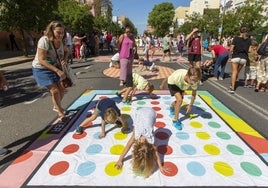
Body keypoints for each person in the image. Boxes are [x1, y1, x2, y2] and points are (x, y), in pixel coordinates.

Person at [115, 107, 168, 178]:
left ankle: (149, 126)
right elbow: (127, 146)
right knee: (140, 126)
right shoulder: (136, 134)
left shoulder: (151, 139)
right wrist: (120, 160)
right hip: (140, 113)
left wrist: (160, 166)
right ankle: (148, 126)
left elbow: (156, 152)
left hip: (150, 113)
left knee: (150, 127)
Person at [32, 21, 69, 121]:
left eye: (62, 32)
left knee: (62, 89)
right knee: (55, 90)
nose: (61, 35)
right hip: (41, 68)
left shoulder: (61, 42)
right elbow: (41, 60)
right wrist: (57, 70)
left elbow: (66, 51)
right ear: (51, 31)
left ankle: (56, 106)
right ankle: (60, 113)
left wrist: (65, 60)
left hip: (54, 67)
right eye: (58, 32)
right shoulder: (44, 40)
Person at [228, 26, 251, 94]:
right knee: (237, 71)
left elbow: (231, 49)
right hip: (244, 58)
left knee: (234, 72)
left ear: (239, 31)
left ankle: (232, 87)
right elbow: (249, 50)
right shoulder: (249, 40)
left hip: (236, 56)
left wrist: (230, 56)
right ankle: (234, 82)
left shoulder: (236, 38)